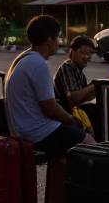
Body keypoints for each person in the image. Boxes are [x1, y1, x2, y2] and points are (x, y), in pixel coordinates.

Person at [6, 15, 94, 157]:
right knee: (90, 142)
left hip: (23, 128)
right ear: (49, 41)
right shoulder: (38, 64)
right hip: (36, 131)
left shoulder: (24, 58)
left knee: (70, 139)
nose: (58, 42)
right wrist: (74, 121)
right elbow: (50, 108)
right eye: (57, 38)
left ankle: (59, 178)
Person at [53, 35, 99, 129]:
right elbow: (72, 99)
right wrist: (94, 85)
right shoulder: (67, 67)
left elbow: (85, 98)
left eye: (89, 53)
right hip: (66, 116)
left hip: (76, 114)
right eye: (82, 52)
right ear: (72, 51)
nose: (86, 57)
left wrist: (99, 88)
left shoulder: (80, 73)